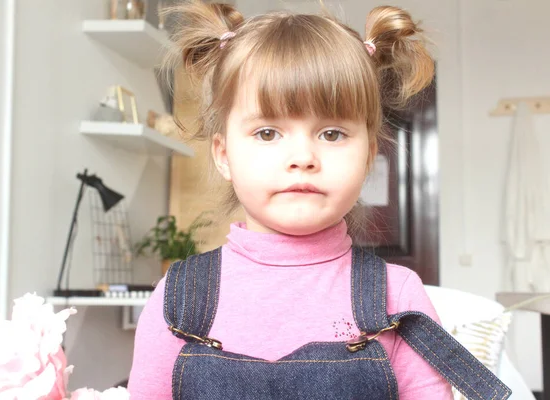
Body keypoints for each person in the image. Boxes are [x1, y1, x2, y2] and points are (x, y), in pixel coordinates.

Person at [128, 1, 511, 399]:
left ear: (367, 157)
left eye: (331, 134)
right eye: (267, 132)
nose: (302, 158)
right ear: (224, 155)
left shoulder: (397, 296)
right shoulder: (177, 298)